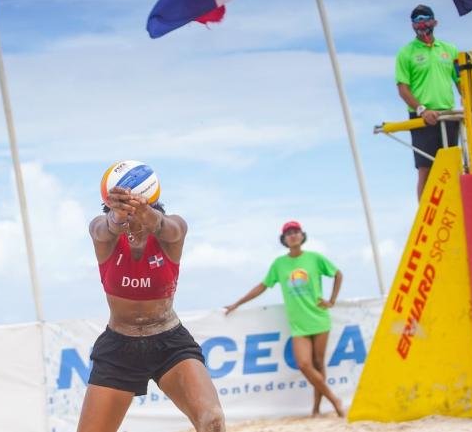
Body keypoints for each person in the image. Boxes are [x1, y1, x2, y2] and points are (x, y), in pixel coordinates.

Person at [78, 184, 225, 432]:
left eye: (137, 209)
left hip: (170, 342)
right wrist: (117, 216)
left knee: (212, 420)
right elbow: (104, 229)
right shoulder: (104, 232)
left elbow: (168, 227)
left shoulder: (171, 231)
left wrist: (147, 213)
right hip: (119, 347)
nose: (131, 216)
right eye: (122, 210)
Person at [224, 220, 344, 418]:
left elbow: (338, 274)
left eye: (296, 231)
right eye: (289, 233)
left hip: (319, 318)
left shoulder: (315, 258)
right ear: (284, 239)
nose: (293, 235)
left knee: (319, 364)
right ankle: (334, 399)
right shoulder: (279, 264)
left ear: (302, 235)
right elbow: (262, 286)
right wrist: (237, 303)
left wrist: (332, 300)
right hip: (298, 324)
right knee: (304, 364)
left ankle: (316, 410)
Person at [395, 4, 461, 199]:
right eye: (416, 21)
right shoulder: (406, 53)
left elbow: (461, 82)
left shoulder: (450, 50)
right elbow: (403, 89)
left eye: (425, 19)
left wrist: (468, 103)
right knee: (425, 168)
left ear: (435, 22)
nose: (421, 24)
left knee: (450, 167)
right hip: (422, 117)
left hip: (448, 115)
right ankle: (425, 212)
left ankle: (450, 207)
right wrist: (422, 110)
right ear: (412, 26)